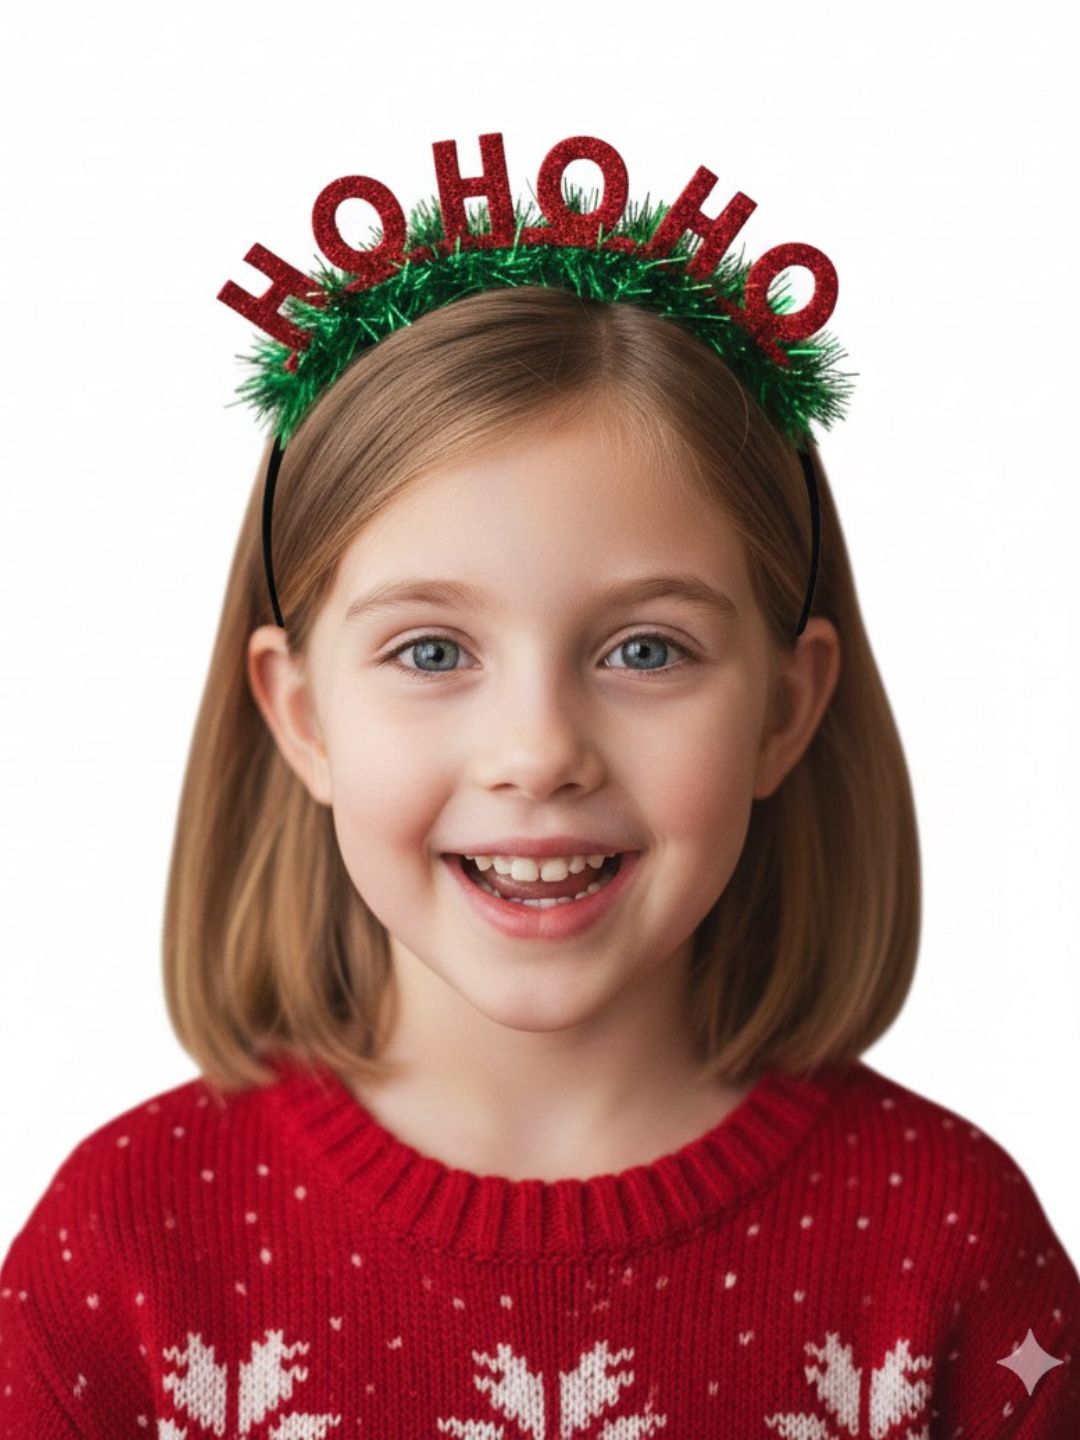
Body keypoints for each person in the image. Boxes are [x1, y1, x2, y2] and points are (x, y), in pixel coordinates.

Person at [2, 138, 1077, 1436]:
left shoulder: (945, 1241)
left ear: (786, 709)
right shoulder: (124, 1248)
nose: (539, 748)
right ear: (301, 714)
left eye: (644, 649)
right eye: (433, 651)